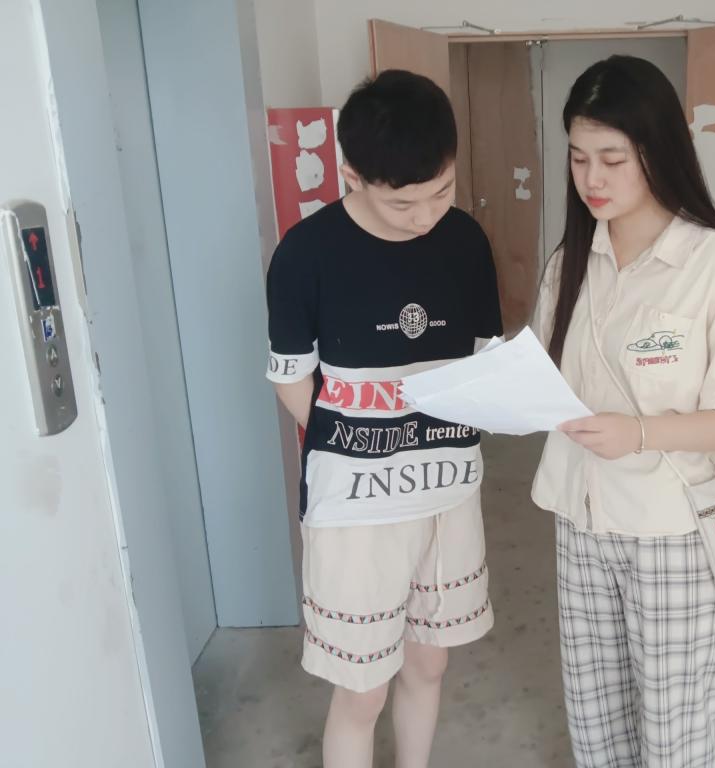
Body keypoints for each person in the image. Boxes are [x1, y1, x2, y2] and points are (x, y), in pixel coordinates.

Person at [531, 55, 715, 767]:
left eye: (613, 159)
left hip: (672, 531)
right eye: (579, 157)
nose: (592, 178)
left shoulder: (714, 265)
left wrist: (640, 433)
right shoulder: (569, 263)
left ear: (657, 151)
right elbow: (548, 378)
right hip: (581, 523)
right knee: (596, 721)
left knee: (677, 736)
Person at [265, 69, 502, 768]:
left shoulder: (466, 241)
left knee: (430, 662)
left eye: (442, 191)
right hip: (356, 507)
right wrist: (370, 443)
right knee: (361, 690)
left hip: (447, 494)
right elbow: (291, 378)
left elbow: (483, 361)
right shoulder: (306, 253)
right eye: (403, 202)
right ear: (351, 176)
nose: (426, 216)